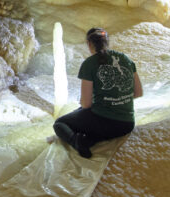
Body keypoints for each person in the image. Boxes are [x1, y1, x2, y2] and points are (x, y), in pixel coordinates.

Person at [54, 27, 143, 158]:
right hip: (127, 124)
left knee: (60, 124)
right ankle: (89, 140)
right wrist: (116, 99)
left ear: (89, 44)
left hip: (104, 122)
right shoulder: (125, 59)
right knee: (87, 118)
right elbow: (138, 93)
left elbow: (86, 104)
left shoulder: (89, 64)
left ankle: (77, 142)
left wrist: (104, 103)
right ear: (107, 42)